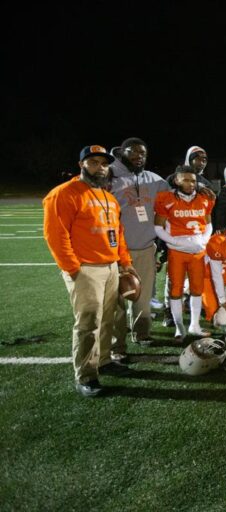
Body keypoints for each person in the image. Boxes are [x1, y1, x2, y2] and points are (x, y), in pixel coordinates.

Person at [43, 145, 137, 397]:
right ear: (81, 165)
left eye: (104, 163)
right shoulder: (64, 193)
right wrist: (73, 269)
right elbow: (56, 236)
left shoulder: (108, 197)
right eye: (93, 162)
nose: (100, 167)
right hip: (86, 268)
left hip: (110, 267)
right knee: (88, 323)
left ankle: (104, 360)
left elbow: (118, 234)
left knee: (107, 319)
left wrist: (124, 262)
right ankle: (85, 375)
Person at [108, 137, 170, 353]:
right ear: (122, 152)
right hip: (115, 251)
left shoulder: (154, 180)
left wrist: (202, 188)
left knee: (142, 296)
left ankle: (141, 333)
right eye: (133, 152)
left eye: (142, 153)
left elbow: (178, 188)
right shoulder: (110, 177)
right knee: (116, 300)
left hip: (145, 247)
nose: (138, 156)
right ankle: (117, 344)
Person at [154, 166, 215, 340]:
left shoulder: (205, 198)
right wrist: (176, 242)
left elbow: (209, 223)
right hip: (177, 252)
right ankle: (179, 326)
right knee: (176, 290)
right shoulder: (166, 198)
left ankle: (194, 325)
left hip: (197, 252)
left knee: (197, 289)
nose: (190, 183)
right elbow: (158, 227)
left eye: (193, 180)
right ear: (176, 180)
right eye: (186, 179)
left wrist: (203, 240)